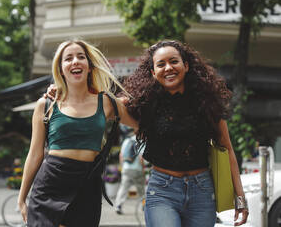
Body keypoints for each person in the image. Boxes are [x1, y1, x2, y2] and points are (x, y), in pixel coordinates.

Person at [123, 40, 248, 227]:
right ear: (153, 73)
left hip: (202, 191)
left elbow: (227, 150)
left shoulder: (207, 103)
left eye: (174, 61)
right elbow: (110, 108)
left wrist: (240, 198)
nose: (168, 68)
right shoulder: (145, 105)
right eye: (161, 64)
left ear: (186, 65)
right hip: (162, 192)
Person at [17, 39, 138, 227]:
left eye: (81, 57)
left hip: (87, 186)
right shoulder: (46, 105)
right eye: (68, 58)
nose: (75, 61)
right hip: (50, 185)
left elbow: (139, 125)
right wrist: (22, 197)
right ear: (60, 69)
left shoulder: (106, 102)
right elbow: (34, 154)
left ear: (89, 66)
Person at [114, 127, 145, 215]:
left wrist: (122, 167)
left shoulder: (126, 141)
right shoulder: (141, 142)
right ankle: (144, 205)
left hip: (126, 169)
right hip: (137, 169)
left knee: (123, 188)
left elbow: (121, 155)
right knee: (141, 189)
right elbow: (141, 158)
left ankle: (118, 206)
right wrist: (143, 169)